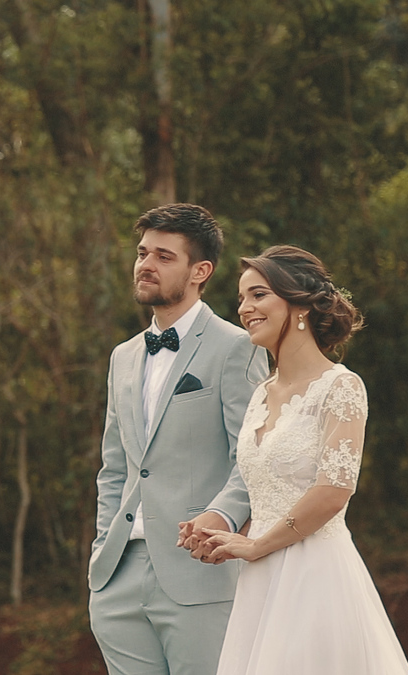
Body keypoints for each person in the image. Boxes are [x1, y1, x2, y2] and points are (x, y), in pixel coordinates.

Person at [198, 244, 408, 674]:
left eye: (258, 295)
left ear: (298, 304)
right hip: (259, 580)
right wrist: (220, 531)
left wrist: (257, 544)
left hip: (315, 575)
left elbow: (334, 492)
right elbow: (262, 484)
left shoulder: (341, 387)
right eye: (241, 298)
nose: (244, 308)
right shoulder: (261, 391)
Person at [89, 203, 268, 675]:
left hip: (200, 574)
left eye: (164, 257)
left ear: (200, 271)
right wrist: (102, 550)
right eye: (143, 252)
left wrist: (221, 519)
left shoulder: (237, 348)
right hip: (118, 578)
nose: (146, 264)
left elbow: (251, 458)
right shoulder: (122, 357)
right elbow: (115, 467)